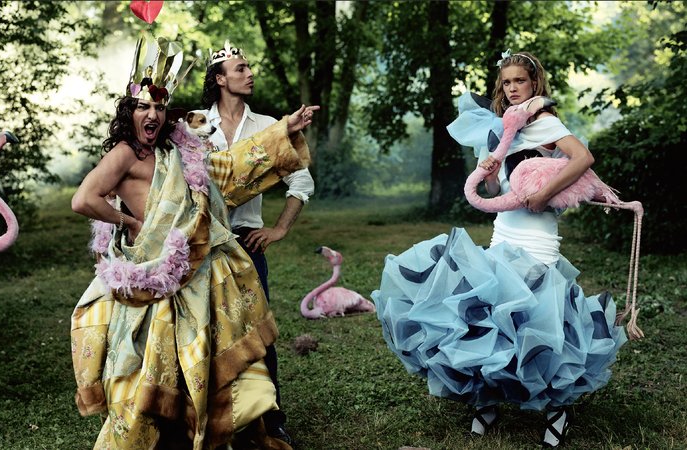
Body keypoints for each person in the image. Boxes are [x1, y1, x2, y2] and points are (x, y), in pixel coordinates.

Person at [70, 33, 315, 450]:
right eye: (144, 107)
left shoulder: (177, 149)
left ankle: (237, 426)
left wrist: (282, 133)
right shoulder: (126, 153)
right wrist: (127, 221)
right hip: (151, 273)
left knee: (218, 347)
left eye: (160, 107)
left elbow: (226, 168)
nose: (153, 114)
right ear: (129, 112)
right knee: (151, 363)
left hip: (204, 262)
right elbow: (83, 199)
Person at [371, 50, 627, 448]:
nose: (512, 88)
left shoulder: (546, 123)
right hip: (502, 231)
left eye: (519, 82)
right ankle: (488, 397)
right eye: (506, 82)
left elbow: (584, 158)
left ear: (534, 84)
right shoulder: (500, 130)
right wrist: (489, 176)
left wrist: (543, 193)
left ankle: (557, 405)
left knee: (539, 316)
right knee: (492, 315)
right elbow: (495, 191)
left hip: (538, 235)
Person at [196, 40, 317, 445]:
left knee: (257, 334)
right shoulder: (195, 126)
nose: (249, 74)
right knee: (205, 333)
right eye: (241, 68)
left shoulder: (269, 127)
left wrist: (278, 228)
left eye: (249, 68)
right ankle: (214, 417)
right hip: (202, 248)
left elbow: (300, 179)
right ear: (219, 79)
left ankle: (270, 416)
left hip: (247, 246)